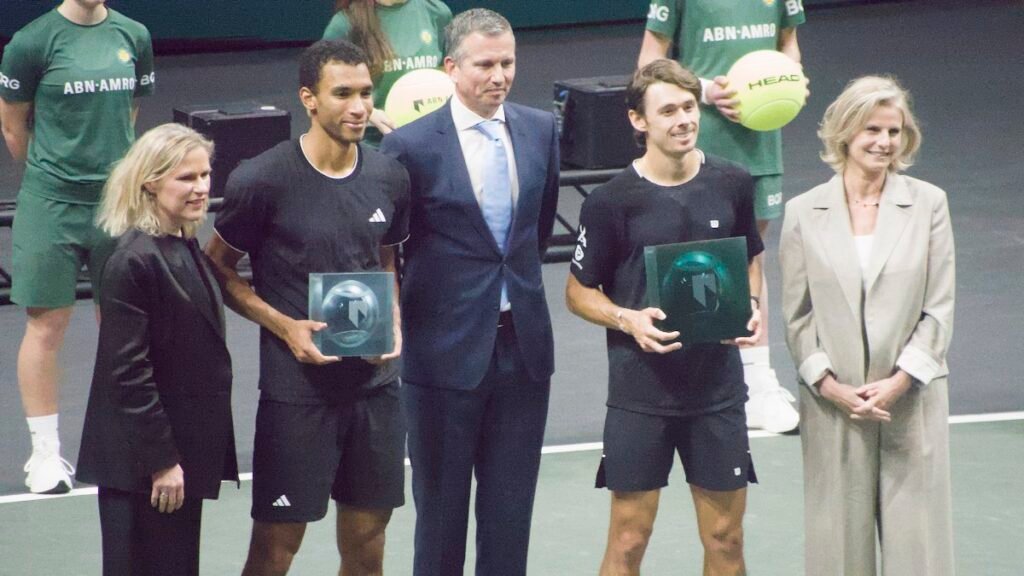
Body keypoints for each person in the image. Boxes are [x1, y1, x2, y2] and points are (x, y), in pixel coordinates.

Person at [204, 40, 408, 576]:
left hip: (376, 389)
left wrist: (395, 326)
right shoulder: (261, 179)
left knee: (367, 544)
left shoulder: (390, 176)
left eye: (366, 92)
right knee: (275, 549)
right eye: (343, 94)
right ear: (309, 99)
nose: (359, 107)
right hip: (297, 396)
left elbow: (386, 259)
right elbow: (218, 268)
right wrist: (284, 325)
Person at [379, 8, 559, 575]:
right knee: (440, 518)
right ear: (451, 68)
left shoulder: (539, 130)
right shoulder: (409, 148)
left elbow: (538, 225)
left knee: (511, 515)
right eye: (485, 64)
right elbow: (390, 248)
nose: (499, 75)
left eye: (507, 62)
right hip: (442, 357)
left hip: (523, 351)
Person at [566, 59, 762, 576]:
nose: (683, 119)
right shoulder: (611, 202)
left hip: (717, 393)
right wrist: (628, 319)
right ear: (638, 120)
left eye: (689, 107)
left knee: (726, 538)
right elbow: (578, 293)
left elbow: (751, 260)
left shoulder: (733, 183)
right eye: (668, 109)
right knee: (629, 539)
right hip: (640, 395)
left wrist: (754, 307)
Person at [780, 75, 955, 576]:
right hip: (836, 407)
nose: (883, 142)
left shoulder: (929, 204)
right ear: (845, 135)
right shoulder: (802, 213)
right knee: (838, 551)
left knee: (917, 549)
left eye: (894, 131)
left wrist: (901, 380)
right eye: (872, 130)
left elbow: (939, 307)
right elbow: (797, 315)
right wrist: (829, 385)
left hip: (912, 399)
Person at [0, 0, 155, 494]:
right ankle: (44, 456)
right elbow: (13, 126)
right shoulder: (31, 42)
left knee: (122, 324)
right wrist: (57, 174)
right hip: (51, 203)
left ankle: (126, 440)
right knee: (47, 323)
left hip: (117, 202)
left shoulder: (135, 36)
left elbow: (130, 113)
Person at [76, 123, 237, 576]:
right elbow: (127, 373)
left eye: (205, 175)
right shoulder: (133, 259)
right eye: (186, 178)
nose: (201, 187)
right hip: (145, 467)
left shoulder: (181, 245)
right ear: (150, 183)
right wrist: (163, 462)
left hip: (175, 457)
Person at [638, 0, 805, 433]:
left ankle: (755, 379)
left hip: (759, 139)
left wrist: (784, 85)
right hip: (697, 140)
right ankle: (692, 381)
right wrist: (705, 90)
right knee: (693, 258)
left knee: (752, 256)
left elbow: (789, 49)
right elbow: (648, 62)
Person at [323, 0, 452, 145]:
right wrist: (369, 112)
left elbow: (449, 72)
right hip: (375, 143)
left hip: (432, 140)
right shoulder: (345, 23)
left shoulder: (437, 11)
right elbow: (323, 88)